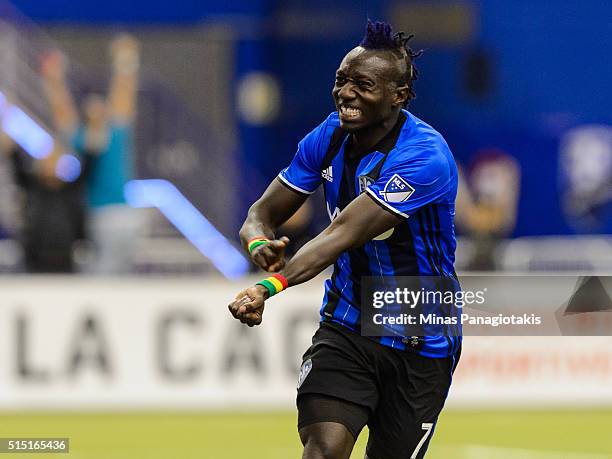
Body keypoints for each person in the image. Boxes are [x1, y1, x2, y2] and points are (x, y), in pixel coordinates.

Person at [228, 20, 461, 459]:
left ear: (399, 96)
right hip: (347, 323)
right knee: (324, 449)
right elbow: (261, 213)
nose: (346, 93)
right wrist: (259, 244)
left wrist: (268, 287)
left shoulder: (424, 156)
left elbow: (342, 233)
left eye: (363, 84)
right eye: (341, 80)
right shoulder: (328, 135)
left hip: (421, 334)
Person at [40, 34, 142, 274]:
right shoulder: (100, 137)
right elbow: (121, 99)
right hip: (110, 215)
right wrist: (125, 62)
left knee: (106, 278)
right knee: (109, 277)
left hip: (112, 215)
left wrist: (53, 79)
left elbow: (65, 113)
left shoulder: (104, 136)